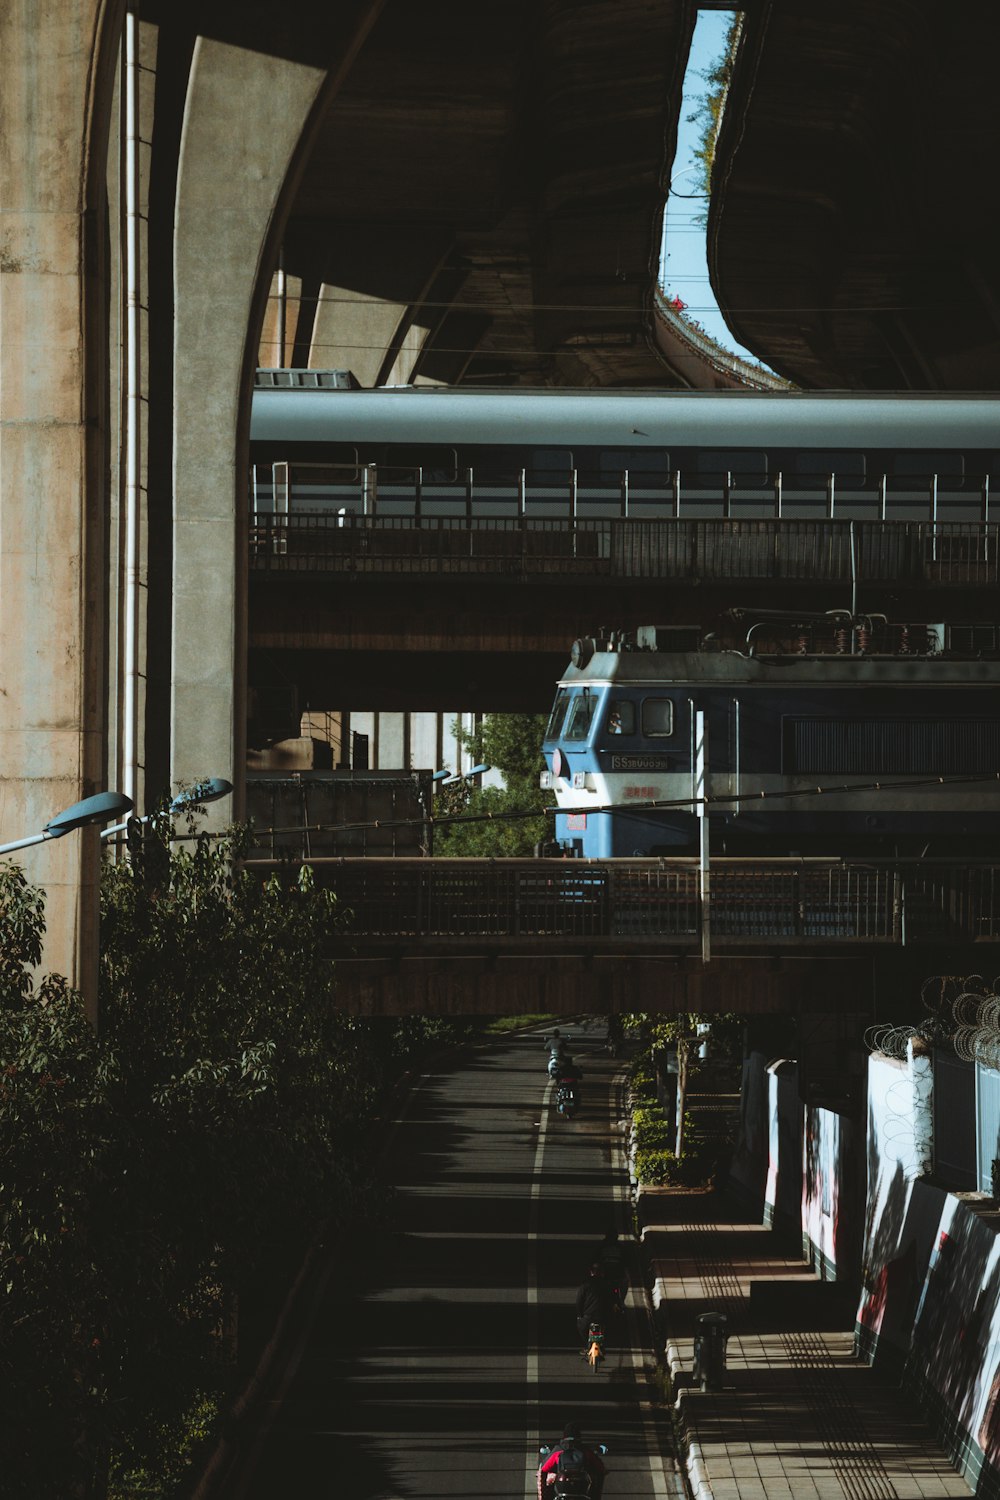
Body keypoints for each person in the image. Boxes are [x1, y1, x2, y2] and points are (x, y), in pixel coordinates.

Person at [537, 1422, 606, 1499]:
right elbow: (601, 1468)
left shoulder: (558, 1450)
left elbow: (543, 1469)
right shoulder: (585, 1450)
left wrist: (543, 1496)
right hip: (581, 1491)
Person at [575, 1263, 614, 1349]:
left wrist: (579, 1315)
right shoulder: (608, 1284)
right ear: (602, 1273)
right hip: (604, 1316)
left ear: (591, 1272)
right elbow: (613, 1299)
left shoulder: (585, 1284)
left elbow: (579, 1301)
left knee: (581, 1328)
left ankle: (587, 1346)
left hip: (588, 1317)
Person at [595, 1229, 629, 1312]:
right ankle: (621, 1302)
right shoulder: (620, 1247)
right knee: (625, 1282)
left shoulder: (601, 1246)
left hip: (605, 1275)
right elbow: (627, 1261)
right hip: (618, 1274)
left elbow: (594, 1259)